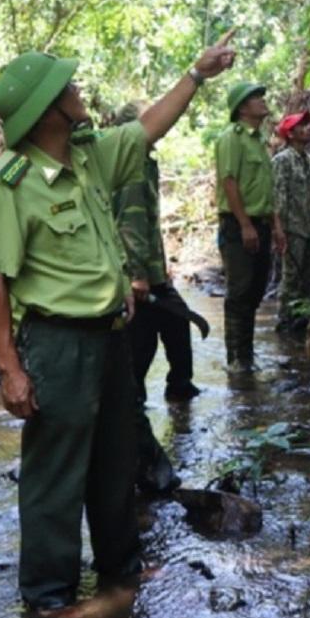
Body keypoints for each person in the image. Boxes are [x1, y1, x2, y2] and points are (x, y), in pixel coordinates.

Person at [0, 37, 234, 613]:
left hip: (112, 336)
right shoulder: (8, 184)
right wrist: (10, 370)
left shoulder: (89, 154)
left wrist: (197, 73)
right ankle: (49, 599)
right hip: (57, 343)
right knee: (56, 473)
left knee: (116, 458)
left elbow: (148, 129)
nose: (78, 91)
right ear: (46, 110)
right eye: (67, 88)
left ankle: (123, 570)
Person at [112, 102, 203, 404]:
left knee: (177, 323)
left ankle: (179, 389)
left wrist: (158, 268)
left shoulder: (146, 162)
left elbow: (148, 224)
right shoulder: (131, 167)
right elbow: (130, 223)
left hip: (151, 273)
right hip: (135, 277)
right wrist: (137, 275)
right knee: (141, 342)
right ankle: (132, 407)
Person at [214, 82, 286, 373]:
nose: (262, 101)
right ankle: (236, 360)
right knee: (240, 291)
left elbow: (266, 191)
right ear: (242, 108)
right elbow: (229, 182)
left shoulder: (260, 141)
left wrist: (277, 227)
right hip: (238, 224)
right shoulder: (232, 138)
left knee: (256, 290)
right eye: (256, 98)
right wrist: (244, 225)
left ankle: (247, 355)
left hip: (261, 223)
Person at [272, 110, 310, 330]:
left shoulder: (307, 159)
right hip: (292, 227)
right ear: (290, 134)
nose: (307, 129)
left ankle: (300, 320)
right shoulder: (282, 160)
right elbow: (276, 197)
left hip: (309, 226)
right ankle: (284, 321)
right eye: (301, 126)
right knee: (291, 276)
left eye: (307, 125)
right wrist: (279, 230)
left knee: (307, 277)